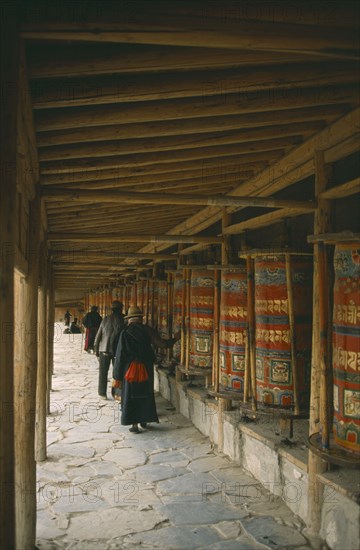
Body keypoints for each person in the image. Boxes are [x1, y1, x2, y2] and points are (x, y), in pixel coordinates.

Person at [113, 306, 179, 433]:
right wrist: (175, 338)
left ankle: (134, 424)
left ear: (129, 319)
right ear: (140, 318)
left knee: (130, 396)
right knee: (145, 393)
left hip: (129, 370)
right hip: (145, 367)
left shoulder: (124, 332)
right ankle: (144, 420)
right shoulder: (148, 330)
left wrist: (117, 375)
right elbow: (162, 344)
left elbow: (120, 355)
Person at [93, 301, 125, 399]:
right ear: (120, 309)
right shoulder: (123, 319)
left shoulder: (105, 319)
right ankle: (117, 394)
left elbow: (98, 335)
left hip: (104, 349)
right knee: (118, 372)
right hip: (117, 350)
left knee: (103, 372)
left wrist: (96, 349)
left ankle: (102, 393)